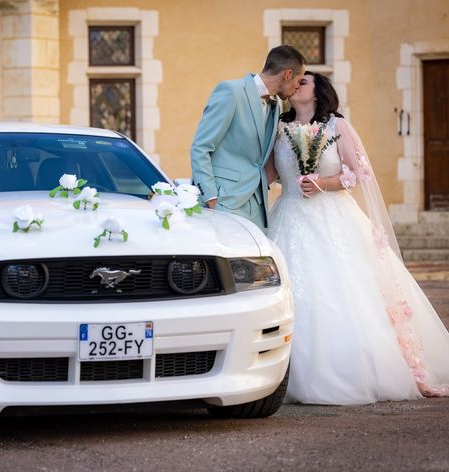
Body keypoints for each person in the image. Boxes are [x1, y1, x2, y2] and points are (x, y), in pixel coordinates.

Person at [265, 71, 449, 404]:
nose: (295, 85)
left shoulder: (337, 126)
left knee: (348, 290)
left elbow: (358, 173)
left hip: (333, 216)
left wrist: (323, 183)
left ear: (319, 92)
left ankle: (356, 368)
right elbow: (270, 173)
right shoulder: (279, 128)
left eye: (303, 82)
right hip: (289, 215)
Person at [190, 45, 306, 230]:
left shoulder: (275, 105)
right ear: (287, 74)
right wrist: (211, 198)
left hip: (256, 206)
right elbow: (201, 147)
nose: (298, 87)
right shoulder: (231, 91)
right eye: (299, 80)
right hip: (223, 202)